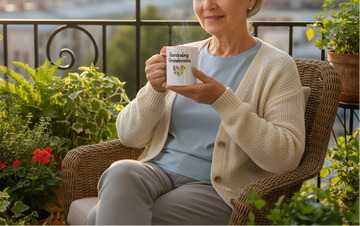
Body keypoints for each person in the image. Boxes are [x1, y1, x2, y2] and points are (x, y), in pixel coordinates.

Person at [85, 0, 306, 225]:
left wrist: (223, 102)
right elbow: (129, 136)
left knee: (98, 216)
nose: (207, 5)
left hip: (218, 188)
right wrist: (155, 90)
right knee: (121, 171)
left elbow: (285, 158)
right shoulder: (184, 56)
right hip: (158, 173)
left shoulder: (277, 66)